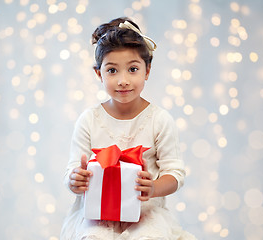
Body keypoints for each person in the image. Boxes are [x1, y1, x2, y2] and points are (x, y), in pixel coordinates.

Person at [61, 17, 197, 240]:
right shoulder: (89, 119)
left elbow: (175, 174)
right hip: (97, 215)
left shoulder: (159, 120)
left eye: (132, 69)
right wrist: (75, 179)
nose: (123, 80)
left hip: (146, 214)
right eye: (112, 71)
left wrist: (153, 187)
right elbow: (72, 170)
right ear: (99, 74)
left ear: (147, 70)